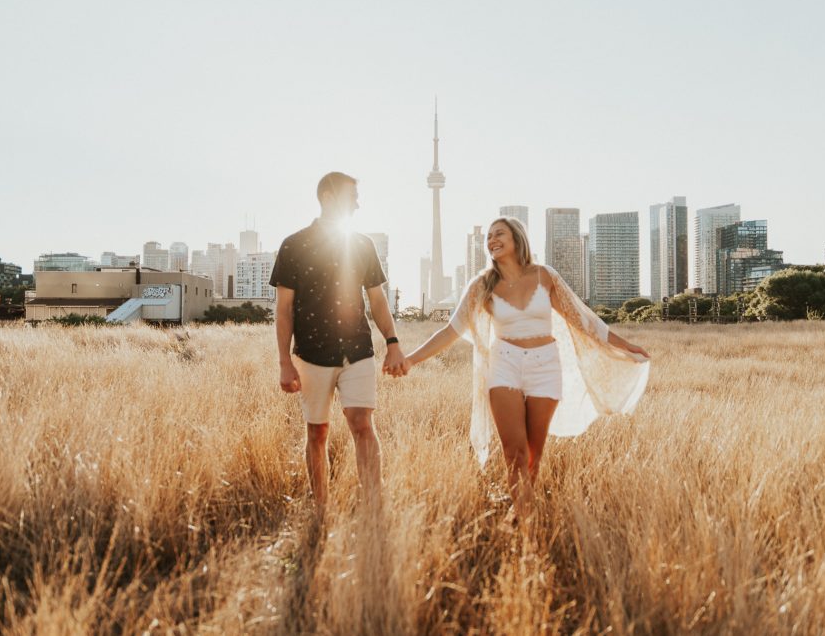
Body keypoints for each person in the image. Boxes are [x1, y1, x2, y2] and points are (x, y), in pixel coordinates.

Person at [401, 217, 650, 513]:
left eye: (499, 234)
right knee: (515, 454)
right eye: (489, 236)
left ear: (517, 238)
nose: (492, 239)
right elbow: (450, 331)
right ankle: (527, 525)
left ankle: (518, 511)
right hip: (504, 365)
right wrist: (410, 360)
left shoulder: (545, 276)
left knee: (533, 456)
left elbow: (583, 321)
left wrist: (625, 345)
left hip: (545, 368)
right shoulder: (481, 285)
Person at [270, 172, 407, 511]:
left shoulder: (362, 245)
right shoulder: (293, 245)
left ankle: (373, 506)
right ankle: (321, 508)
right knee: (317, 434)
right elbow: (284, 310)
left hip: (357, 350)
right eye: (352, 196)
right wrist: (285, 361)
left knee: (362, 423)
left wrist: (392, 342)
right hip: (311, 355)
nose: (358, 203)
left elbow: (377, 301)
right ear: (329, 197)